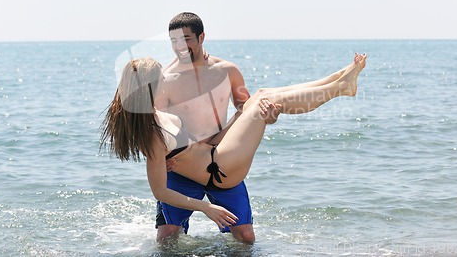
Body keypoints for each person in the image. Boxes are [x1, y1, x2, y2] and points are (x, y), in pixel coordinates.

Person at [100, 52, 367, 232]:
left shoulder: (152, 115)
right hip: (220, 169)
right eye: (159, 78)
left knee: (261, 95)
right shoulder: (152, 134)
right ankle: (340, 88)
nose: (165, 80)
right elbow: (160, 191)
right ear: (148, 87)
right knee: (267, 103)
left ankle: (337, 78)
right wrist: (206, 207)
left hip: (217, 151)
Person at [152, 12, 272, 243]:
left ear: (201, 37)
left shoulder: (227, 71)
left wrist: (267, 116)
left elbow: (246, 111)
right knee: (167, 237)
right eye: (174, 41)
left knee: (245, 237)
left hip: (220, 161)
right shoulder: (165, 80)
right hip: (183, 166)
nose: (180, 46)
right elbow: (158, 128)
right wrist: (162, 158)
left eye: (186, 38)